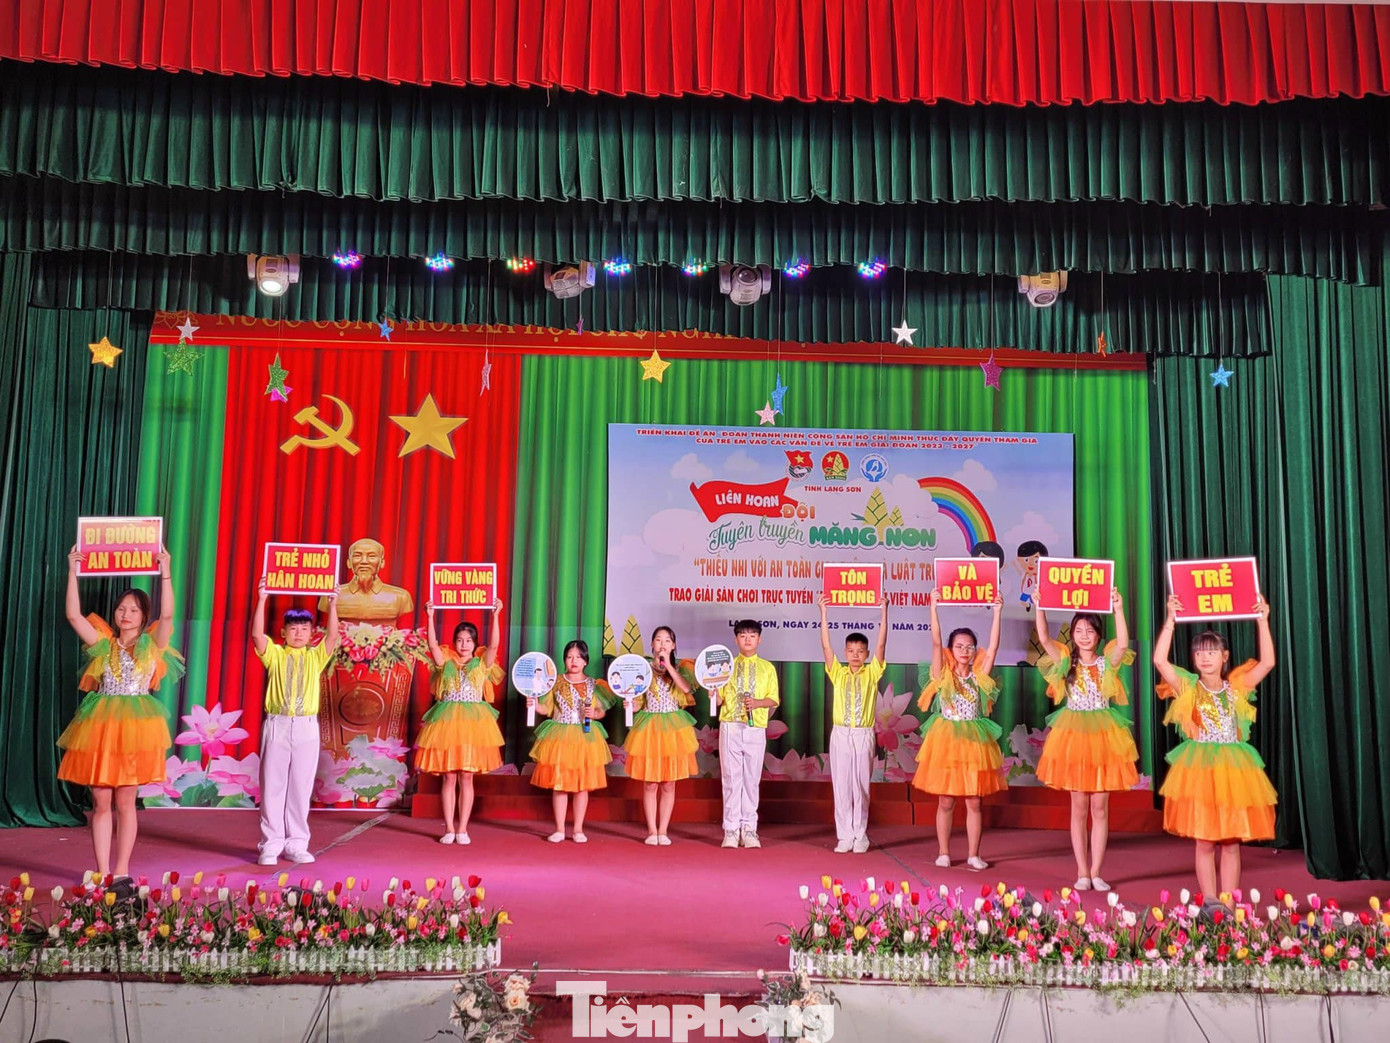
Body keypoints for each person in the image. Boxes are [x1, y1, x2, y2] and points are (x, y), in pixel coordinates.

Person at [59, 546, 182, 886]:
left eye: (134, 609)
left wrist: (165, 571)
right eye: (121, 608)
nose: (126, 614)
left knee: (126, 800)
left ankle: (122, 872)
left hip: (135, 727)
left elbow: (167, 618)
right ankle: (101, 872)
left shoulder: (152, 644)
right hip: (101, 726)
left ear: (143, 616)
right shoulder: (104, 643)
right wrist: (72, 571)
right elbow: (74, 616)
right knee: (101, 800)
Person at [1152, 594, 1277, 901]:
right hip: (1201, 769)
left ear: (1225, 656)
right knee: (1205, 840)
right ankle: (1210, 903)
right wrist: (1170, 620)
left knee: (1231, 842)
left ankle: (1229, 905)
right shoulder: (1188, 687)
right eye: (1199, 653)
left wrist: (1262, 620)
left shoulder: (1237, 687)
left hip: (1234, 769)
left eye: (1212, 652)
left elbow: (1268, 663)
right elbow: (1160, 661)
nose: (1205, 658)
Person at [1033, 589, 1138, 892]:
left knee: (1100, 808)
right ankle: (1081, 872)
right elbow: (1044, 638)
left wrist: (1118, 608)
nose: (1084, 635)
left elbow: (1124, 643)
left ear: (1098, 635)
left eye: (1090, 630)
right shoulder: (1066, 662)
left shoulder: (1107, 663)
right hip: (1074, 738)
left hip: (1103, 739)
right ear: (1072, 634)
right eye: (1079, 630)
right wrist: (1040, 605)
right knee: (1078, 807)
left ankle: (1097, 872)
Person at [912, 589, 1005, 869]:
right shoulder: (942, 674)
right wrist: (933, 608)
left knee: (974, 801)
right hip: (947, 741)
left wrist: (997, 611)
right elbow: (935, 641)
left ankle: (974, 854)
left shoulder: (979, 676)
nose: (965, 651)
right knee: (946, 800)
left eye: (970, 647)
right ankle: (943, 852)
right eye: (959, 646)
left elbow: (994, 647)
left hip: (974, 743)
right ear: (951, 650)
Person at [251, 577, 340, 865]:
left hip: (306, 726)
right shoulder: (275, 655)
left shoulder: (315, 657)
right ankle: (270, 844)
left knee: (301, 786)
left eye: (304, 629)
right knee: (272, 784)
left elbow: (333, 638)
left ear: (312, 633)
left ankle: (297, 844)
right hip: (277, 724)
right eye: (293, 628)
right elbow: (256, 636)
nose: (298, 633)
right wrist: (262, 599)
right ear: (283, 632)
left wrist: (334, 605)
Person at [419, 599, 505, 845]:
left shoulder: (482, 663)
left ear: (475, 643)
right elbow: (432, 645)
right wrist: (430, 616)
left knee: (467, 776)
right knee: (449, 777)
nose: (464, 644)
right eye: (459, 640)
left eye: (468, 640)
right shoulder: (446, 661)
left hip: (473, 725)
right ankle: (448, 828)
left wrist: (496, 615)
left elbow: (495, 645)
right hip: (447, 724)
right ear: (454, 642)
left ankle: (463, 829)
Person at [817, 595, 888, 853]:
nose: (855, 655)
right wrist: (823, 612)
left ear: (866, 654)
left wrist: (884, 610)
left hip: (863, 734)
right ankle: (844, 835)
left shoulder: (872, 673)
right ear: (845, 652)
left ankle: (860, 834)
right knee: (842, 785)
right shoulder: (838, 672)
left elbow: (882, 644)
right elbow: (826, 647)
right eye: (851, 651)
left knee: (860, 786)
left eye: (860, 651)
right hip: (841, 734)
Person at [526, 640, 615, 843]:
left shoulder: (595, 684)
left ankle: (578, 829)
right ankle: (559, 829)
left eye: (578, 657)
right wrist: (535, 705)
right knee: (559, 784)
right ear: (564, 659)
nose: (573, 661)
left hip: (585, 737)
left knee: (582, 785)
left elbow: (600, 711)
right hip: (560, 736)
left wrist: (595, 714)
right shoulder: (554, 681)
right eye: (569, 657)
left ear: (585, 661)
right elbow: (546, 709)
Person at [623, 626, 699, 845]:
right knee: (650, 783)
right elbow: (638, 702)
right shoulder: (643, 669)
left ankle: (663, 831)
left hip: (673, 730)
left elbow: (686, 689)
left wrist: (668, 666)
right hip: (649, 728)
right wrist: (630, 704)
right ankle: (651, 831)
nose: (662, 644)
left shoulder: (681, 669)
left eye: (667, 640)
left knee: (668, 783)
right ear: (652, 644)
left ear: (673, 646)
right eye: (658, 640)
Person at [714, 620, 780, 849]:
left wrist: (757, 703)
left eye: (752, 635)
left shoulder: (767, 668)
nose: (748, 639)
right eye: (743, 635)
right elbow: (719, 700)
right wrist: (712, 692)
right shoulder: (726, 667)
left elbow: (774, 699)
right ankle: (731, 830)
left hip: (756, 727)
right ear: (736, 640)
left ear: (759, 639)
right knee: (731, 779)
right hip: (730, 725)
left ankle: (749, 829)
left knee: (751, 779)